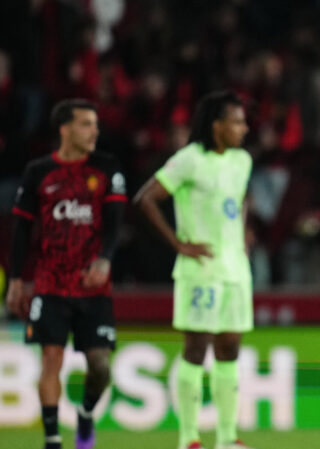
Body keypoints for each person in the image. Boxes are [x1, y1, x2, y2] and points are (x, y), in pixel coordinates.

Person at [133, 91, 253, 449]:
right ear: (217, 126)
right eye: (236, 121)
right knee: (196, 348)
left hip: (236, 268)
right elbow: (146, 199)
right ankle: (188, 439)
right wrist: (179, 244)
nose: (244, 128)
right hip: (200, 269)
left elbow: (242, 198)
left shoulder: (242, 160)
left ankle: (228, 437)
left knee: (230, 347)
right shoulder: (188, 160)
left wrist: (243, 232)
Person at [6, 99, 126, 449]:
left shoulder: (107, 168)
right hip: (50, 282)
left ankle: (86, 414)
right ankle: (53, 440)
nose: (95, 131)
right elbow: (21, 230)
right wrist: (16, 279)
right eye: (87, 124)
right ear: (65, 129)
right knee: (50, 359)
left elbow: (116, 224)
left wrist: (105, 259)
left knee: (100, 367)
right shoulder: (38, 172)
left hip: (93, 284)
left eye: (96, 124)